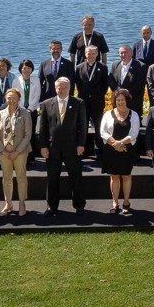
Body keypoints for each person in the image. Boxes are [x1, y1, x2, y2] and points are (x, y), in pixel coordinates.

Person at [38, 77, 88, 216]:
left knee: (76, 177)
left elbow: (83, 126)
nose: (62, 90)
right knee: (52, 178)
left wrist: (81, 144)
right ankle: (51, 207)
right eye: (59, 88)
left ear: (70, 88)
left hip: (72, 147)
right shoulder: (47, 103)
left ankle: (79, 206)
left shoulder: (78, 103)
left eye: (65, 87)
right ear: (55, 88)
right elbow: (42, 127)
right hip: (53, 148)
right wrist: (43, 146)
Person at [100, 89, 140, 215]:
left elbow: (134, 134)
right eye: (118, 100)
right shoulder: (108, 114)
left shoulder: (133, 115)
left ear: (126, 100)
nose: (120, 102)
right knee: (114, 176)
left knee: (126, 176)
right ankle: (115, 202)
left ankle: (126, 202)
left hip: (127, 150)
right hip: (111, 150)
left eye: (123, 100)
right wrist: (115, 144)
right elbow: (103, 132)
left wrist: (120, 144)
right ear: (114, 101)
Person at [0, 88, 33, 216]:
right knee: (6, 178)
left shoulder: (25, 113)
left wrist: (17, 151)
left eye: (14, 97)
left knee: (21, 177)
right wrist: (3, 151)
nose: (11, 100)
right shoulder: (0, 114)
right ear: (5, 98)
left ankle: (22, 203)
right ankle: (8, 203)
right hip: (4, 151)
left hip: (20, 151)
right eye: (9, 98)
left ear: (19, 98)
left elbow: (28, 135)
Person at [75, 45, 109, 158]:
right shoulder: (79, 67)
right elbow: (78, 84)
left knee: (99, 125)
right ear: (85, 54)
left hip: (97, 101)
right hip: (83, 102)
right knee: (83, 126)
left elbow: (105, 85)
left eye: (93, 53)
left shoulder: (103, 67)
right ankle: (84, 150)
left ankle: (100, 149)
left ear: (97, 54)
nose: (91, 55)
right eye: (89, 53)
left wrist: (97, 95)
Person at [10, 59, 41, 161]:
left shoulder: (36, 80)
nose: (26, 70)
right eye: (24, 68)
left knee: (30, 134)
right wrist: (23, 109)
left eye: (28, 68)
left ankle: (31, 158)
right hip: (20, 110)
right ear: (20, 69)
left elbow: (37, 96)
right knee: (21, 134)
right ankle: (21, 157)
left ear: (32, 69)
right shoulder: (16, 81)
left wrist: (30, 108)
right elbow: (15, 97)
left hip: (32, 111)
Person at [108, 45, 146, 118]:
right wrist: (118, 91)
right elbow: (110, 79)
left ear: (131, 53)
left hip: (133, 100)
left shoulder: (140, 65)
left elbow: (140, 83)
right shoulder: (115, 65)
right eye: (121, 53)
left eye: (125, 52)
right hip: (118, 99)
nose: (123, 55)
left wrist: (125, 92)